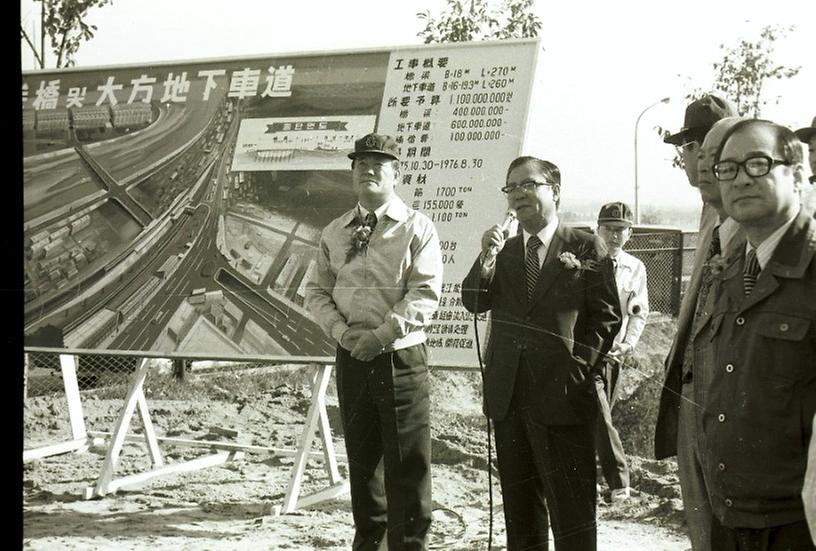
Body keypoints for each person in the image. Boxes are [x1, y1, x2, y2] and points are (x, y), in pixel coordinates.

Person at [461, 156, 621, 550]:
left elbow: (607, 317)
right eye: (511, 188)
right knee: (521, 513)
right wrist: (486, 259)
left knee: (572, 516)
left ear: (555, 191)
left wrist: (577, 371)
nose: (518, 195)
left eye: (528, 185)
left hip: (564, 397)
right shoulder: (507, 250)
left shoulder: (584, 246)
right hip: (509, 397)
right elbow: (474, 303)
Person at [304, 132, 443, 551]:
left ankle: (409, 548)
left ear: (396, 173)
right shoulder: (334, 231)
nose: (368, 169)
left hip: (399, 359)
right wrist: (344, 335)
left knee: (408, 465)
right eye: (360, 162)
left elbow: (425, 292)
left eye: (379, 163)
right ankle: (369, 544)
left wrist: (380, 337)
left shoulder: (417, 227)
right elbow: (315, 292)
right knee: (364, 465)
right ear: (352, 172)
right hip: (352, 357)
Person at [700, 118, 816, 549]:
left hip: (798, 524)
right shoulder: (735, 267)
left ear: (798, 172)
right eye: (726, 169)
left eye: (757, 163)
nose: (740, 179)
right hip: (733, 514)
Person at [654, 94, 738, 551]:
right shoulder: (709, 210)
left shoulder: (752, 216)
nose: (700, 160)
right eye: (693, 148)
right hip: (692, 386)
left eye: (709, 147)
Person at [593, 201, 648, 503]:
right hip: (587, 357)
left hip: (615, 357)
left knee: (600, 418)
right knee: (600, 416)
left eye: (620, 230)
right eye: (608, 229)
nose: (614, 236)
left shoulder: (634, 267)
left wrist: (629, 343)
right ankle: (620, 484)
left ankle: (586, 480)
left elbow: (639, 311)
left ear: (630, 233)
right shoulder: (584, 261)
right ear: (596, 229)